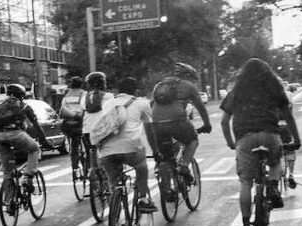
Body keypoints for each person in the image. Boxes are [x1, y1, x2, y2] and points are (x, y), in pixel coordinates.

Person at [220, 58, 301, 226]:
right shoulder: (274, 90)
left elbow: (224, 121)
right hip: (269, 135)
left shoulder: (235, 92)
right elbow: (288, 117)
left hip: (244, 138)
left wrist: (231, 142)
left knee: (246, 182)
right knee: (274, 163)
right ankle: (273, 187)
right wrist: (296, 139)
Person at [97, 77, 156, 213]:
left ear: (118, 91)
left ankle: (115, 208)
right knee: (142, 168)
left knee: (114, 183)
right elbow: (149, 131)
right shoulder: (142, 103)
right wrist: (156, 151)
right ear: (136, 90)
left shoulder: (108, 103)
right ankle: (143, 199)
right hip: (131, 149)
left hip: (106, 151)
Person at [149, 62, 213, 184]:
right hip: (177, 122)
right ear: (188, 76)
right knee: (193, 140)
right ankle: (184, 166)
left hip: (157, 123)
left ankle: (166, 189)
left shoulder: (160, 85)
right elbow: (201, 107)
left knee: (164, 158)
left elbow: (152, 105)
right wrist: (206, 124)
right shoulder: (188, 86)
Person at [0, 83, 50, 193]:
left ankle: (9, 202)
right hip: (16, 134)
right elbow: (36, 125)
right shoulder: (24, 105)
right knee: (35, 149)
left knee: (8, 172)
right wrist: (44, 140)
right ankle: (28, 177)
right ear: (22, 95)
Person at [59, 75, 86, 171]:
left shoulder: (67, 95)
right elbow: (85, 108)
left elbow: (62, 108)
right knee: (86, 144)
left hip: (68, 123)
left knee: (73, 144)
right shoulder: (83, 94)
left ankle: (74, 164)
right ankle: (86, 164)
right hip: (80, 122)